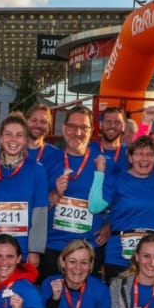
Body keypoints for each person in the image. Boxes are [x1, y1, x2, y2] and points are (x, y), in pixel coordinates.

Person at [0, 112, 49, 278]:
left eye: (19, 135)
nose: (13, 140)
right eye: (8, 134)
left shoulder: (37, 169)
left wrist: (35, 249)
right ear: (0, 138)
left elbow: (40, 213)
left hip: (21, 253)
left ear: (26, 140)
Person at [38, 105, 108, 281]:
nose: (77, 132)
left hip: (88, 251)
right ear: (63, 128)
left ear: (91, 130)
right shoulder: (47, 162)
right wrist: (54, 195)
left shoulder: (103, 163)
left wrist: (110, 225)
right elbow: (35, 207)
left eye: (83, 127)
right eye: (72, 126)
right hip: (53, 248)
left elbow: (122, 201)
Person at [88, 135, 154, 284]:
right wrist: (100, 172)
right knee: (118, 303)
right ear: (130, 158)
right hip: (118, 255)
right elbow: (95, 206)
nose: (144, 159)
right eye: (139, 154)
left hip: (151, 258)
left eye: (150, 154)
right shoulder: (117, 179)